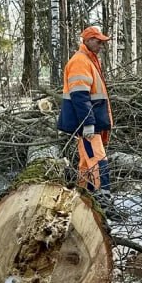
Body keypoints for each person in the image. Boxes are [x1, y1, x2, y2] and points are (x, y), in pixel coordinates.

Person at [58, 26, 113, 194]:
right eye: (98, 42)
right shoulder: (80, 61)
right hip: (88, 125)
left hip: (92, 122)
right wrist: (88, 123)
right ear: (87, 41)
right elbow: (80, 96)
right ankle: (103, 200)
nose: (101, 46)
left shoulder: (90, 60)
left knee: (86, 162)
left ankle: (83, 196)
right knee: (98, 160)